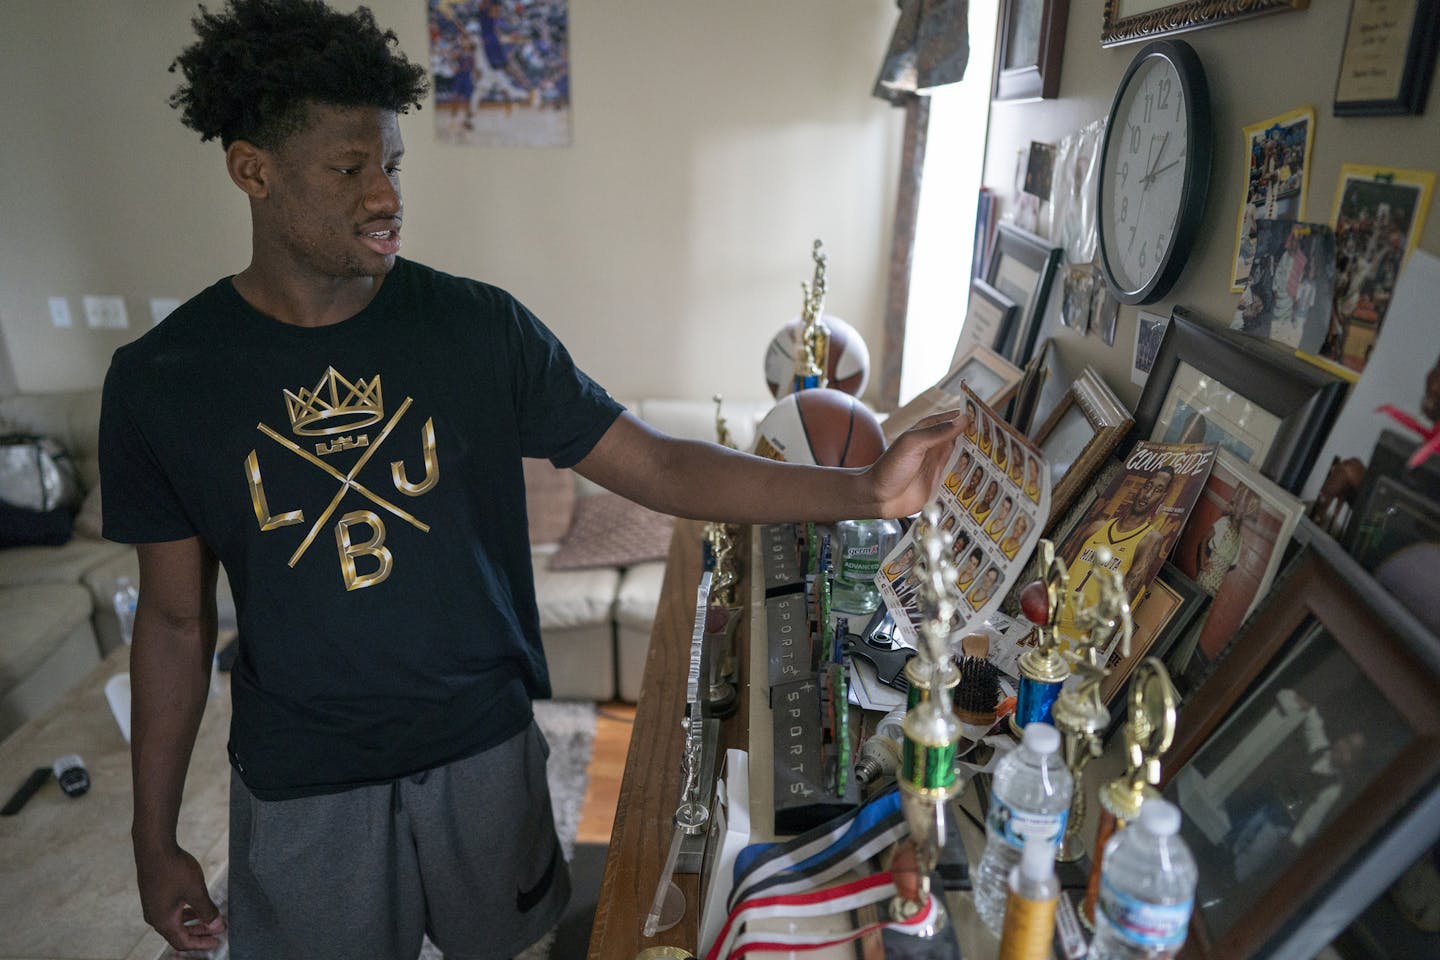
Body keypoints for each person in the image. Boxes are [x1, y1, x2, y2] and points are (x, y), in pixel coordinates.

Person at [101, 4, 969, 959]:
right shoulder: (162, 382)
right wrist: (153, 839)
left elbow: (659, 461)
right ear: (252, 169)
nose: (386, 194)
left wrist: (864, 492)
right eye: (349, 170)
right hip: (303, 780)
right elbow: (176, 625)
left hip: (482, 751)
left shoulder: (477, 328)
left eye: (392, 163)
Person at [1062, 464, 1175, 625]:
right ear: (1141, 487)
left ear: (1162, 497)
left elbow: (1127, 596)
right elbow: (1061, 567)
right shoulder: (1097, 527)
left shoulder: (1149, 540)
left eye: (1157, 490)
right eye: (1148, 486)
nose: (1147, 495)